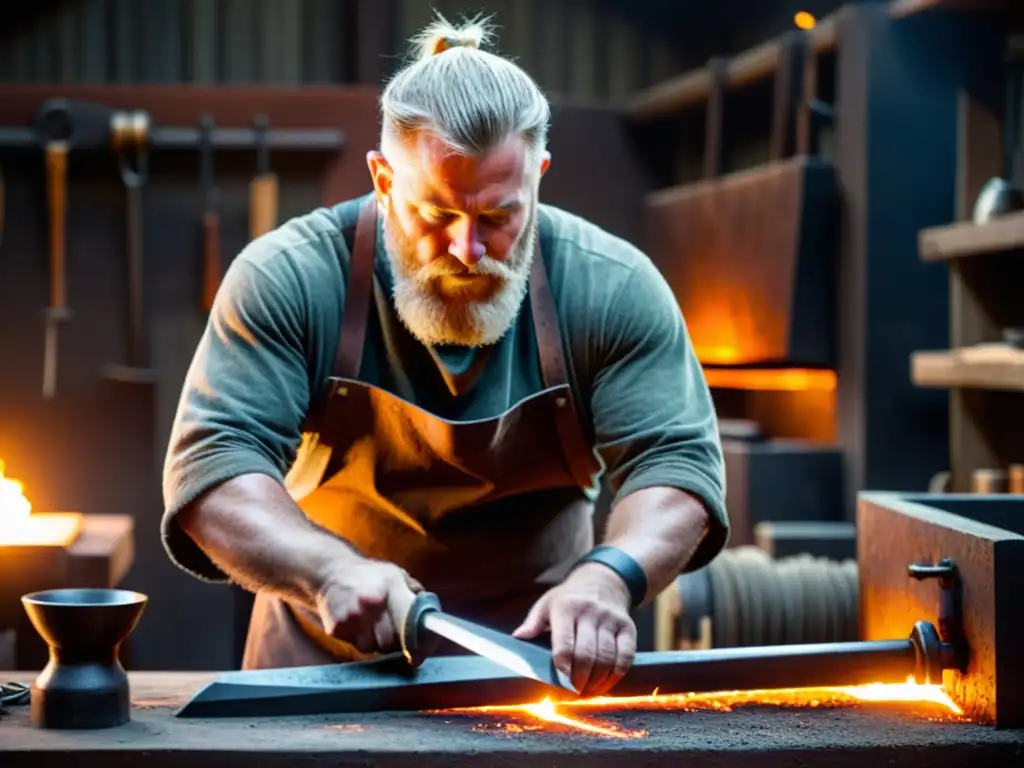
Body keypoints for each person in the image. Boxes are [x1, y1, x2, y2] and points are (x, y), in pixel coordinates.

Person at [161, 14, 728, 698]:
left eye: (497, 217)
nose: (467, 250)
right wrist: (328, 571)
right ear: (381, 177)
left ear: (539, 175)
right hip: (317, 671)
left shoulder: (610, 284)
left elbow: (678, 464)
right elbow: (215, 465)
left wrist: (612, 573)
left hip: (541, 675)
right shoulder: (291, 276)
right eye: (434, 216)